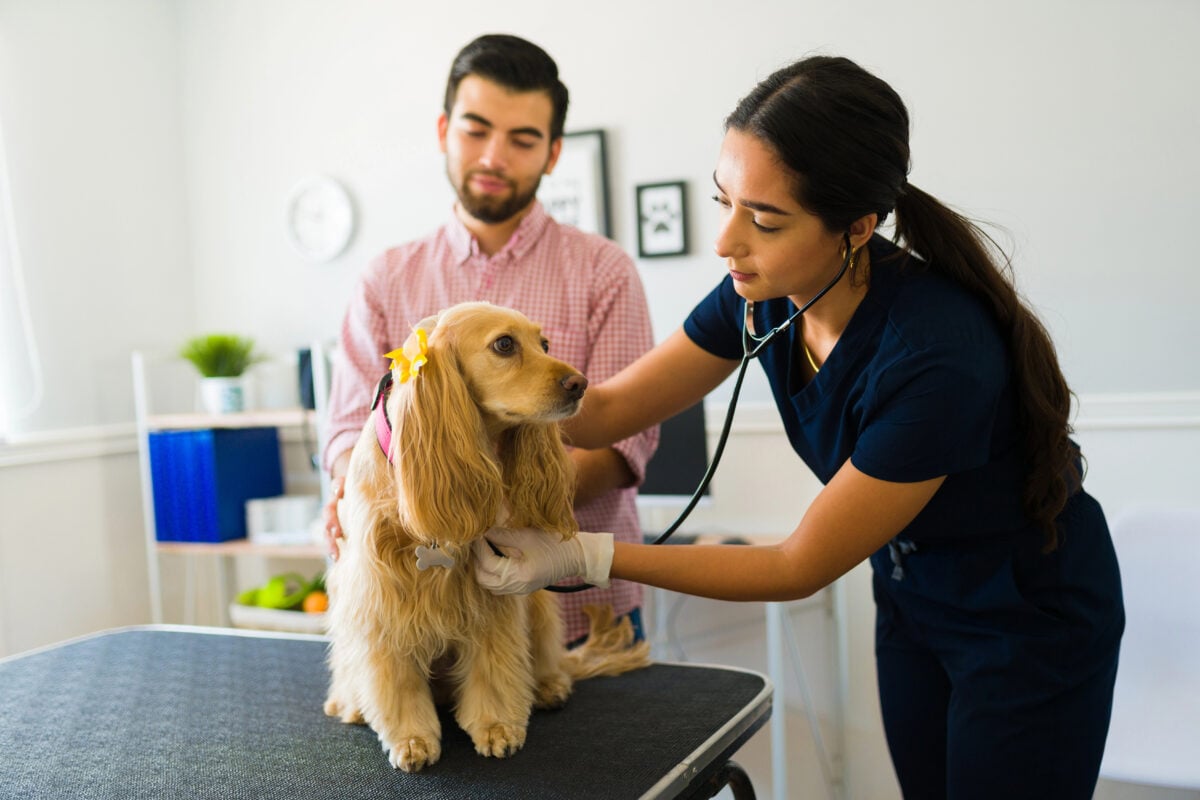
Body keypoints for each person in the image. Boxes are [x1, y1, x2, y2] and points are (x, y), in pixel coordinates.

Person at [473, 55, 1124, 799]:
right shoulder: (761, 295)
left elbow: (797, 567)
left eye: (765, 219)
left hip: (1025, 616)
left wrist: (583, 556)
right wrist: (475, 392)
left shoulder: (938, 355)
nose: (726, 242)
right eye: (726, 201)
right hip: (912, 595)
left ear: (856, 228)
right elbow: (610, 412)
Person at [321, 33, 658, 646]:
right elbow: (349, 430)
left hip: (582, 610)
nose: (494, 156)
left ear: (553, 153)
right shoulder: (384, 280)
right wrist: (364, 492)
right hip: (421, 623)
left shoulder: (604, 271)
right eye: (476, 130)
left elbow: (625, 445)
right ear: (445, 130)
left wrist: (481, 504)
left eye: (523, 139)